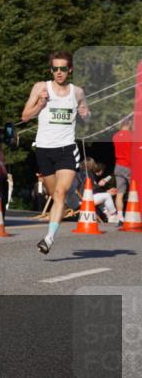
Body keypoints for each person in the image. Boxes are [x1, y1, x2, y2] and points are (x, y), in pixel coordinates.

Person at [21, 51, 90, 254]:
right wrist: (40, 104)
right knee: (54, 194)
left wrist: (86, 115)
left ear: (70, 70)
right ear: (51, 70)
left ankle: (49, 239)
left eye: (63, 69)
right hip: (43, 149)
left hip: (66, 150)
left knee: (60, 192)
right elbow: (25, 116)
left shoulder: (77, 92)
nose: (59, 73)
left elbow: (87, 115)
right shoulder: (41, 87)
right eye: (55, 69)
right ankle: (62, 211)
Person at [113, 117, 134, 225]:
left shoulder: (115, 136)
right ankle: (135, 214)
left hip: (118, 166)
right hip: (129, 166)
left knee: (120, 193)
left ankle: (120, 217)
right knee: (136, 192)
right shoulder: (132, 136)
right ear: (129, 123)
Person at [84, 157, 119, 224]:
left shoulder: (86, 174)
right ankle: (113, 215)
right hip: (86, 199)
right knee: (107, 195)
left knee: (104, 197)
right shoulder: (87, 174)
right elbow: (91, 190)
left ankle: (109, 216)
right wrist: (104, 190)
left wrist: (105, 190)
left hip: (86, 197)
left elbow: (93, 189)